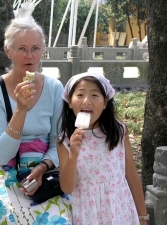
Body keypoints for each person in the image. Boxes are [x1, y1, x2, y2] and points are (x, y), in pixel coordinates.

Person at [0, 7, 72, 225]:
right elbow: (1, 154)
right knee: (7, 218)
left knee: (61, 220)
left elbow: (60, 142)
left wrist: (43, 166)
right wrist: (20, 110)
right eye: (22, 49)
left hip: (44, 168)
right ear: (7, 51)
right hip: (3, 168)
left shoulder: (55, 88)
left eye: (35, 48)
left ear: (42, 51)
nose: (30, 56)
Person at [57, 72, 148, 224]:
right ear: (70, 102)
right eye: (80, 95)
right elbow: (67, 188)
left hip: (119, 208)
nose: (86, 101)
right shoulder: (64, 141)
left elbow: (131, 175)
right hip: (87, 213)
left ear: (105, 103)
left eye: (94, 95)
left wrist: (143, 217)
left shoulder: (119, 132)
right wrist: (73, 155)